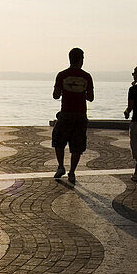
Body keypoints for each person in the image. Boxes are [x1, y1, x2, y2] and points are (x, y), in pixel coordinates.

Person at [52, 47, 94, 184]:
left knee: (58, 140)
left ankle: (60, 166)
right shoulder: (87, 77)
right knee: (77, 145)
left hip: (65, 113)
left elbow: (55, 95)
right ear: (81, 60)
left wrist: (66, 91)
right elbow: (91, 97)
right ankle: (72, 172)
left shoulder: (62, 75)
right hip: (81, 115)